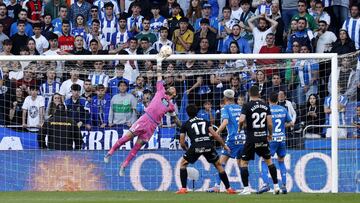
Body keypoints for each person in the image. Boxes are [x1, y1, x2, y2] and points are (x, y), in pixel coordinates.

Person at [104, 61, 182, 176]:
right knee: (126, 138)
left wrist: (183, 127)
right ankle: (109, 153)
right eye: (171, 87)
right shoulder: (160, 91)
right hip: (144, 119)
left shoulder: (171, 106)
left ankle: (124, 165)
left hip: (152, 126)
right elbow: (159, 75)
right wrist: (159, 62)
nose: (171, 88)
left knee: (137, 147)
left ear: (174, 94)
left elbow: (175, 119)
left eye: (173, 88)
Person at [176, 104, 236, 195]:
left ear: (187, 114)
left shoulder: (185, 124)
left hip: (196, 146)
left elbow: (182, 142)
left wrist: (186, 150)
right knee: (218, 165)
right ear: (197, 112)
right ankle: (229, 189)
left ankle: (183, 188)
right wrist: (224, 146)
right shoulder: (205, 121)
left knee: (183, 164)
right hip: (208, 145)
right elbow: (215, 135)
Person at [238, 85, 280, 195]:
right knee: (269, 161)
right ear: (259, 93)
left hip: (251, 138)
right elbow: (270, 123)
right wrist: (270, 134)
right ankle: (276, 186)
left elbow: (241, 120)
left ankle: (246, 189)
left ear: (249, 94)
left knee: (244, 162)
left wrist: (239, 127)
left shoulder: (246, 105)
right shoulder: (266, 105)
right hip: (263, 137)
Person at [207, 89, 245, 193]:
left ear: (224, 98)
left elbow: (225, 122)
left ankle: (217, 186)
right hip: (243, 139)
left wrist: (216, 133)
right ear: (233, 98)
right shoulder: (241, 108)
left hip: (232, 139)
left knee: (220, 163)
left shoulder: (225, 108)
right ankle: (245, 187)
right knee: (241, 164)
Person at [258, 92, 294, 194]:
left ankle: (266, 184)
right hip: (282, 139)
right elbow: (291, 123)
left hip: (271, 139)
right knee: (281, 161)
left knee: (264, 161)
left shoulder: (266, 110)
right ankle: (283, 186)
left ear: (268, 100)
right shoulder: (283, 109)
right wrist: (283, 126)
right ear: (277, 100)